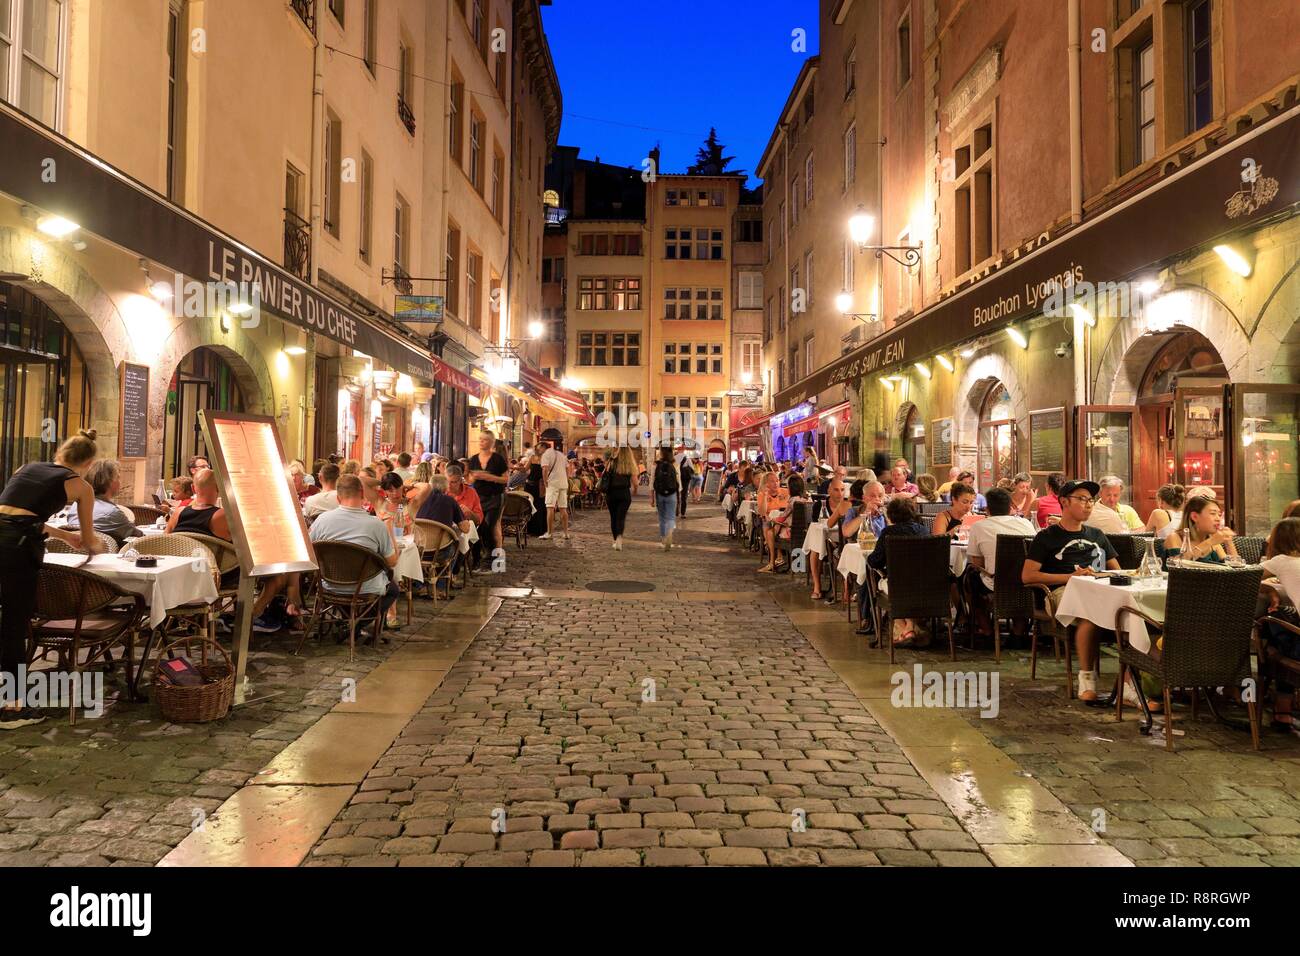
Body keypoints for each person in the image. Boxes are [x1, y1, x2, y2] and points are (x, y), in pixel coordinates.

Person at [0, 429, 103, 728]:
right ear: (89, 462)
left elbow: (19, 514)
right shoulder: (80, 486)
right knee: (14, 623)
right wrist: (91, 545)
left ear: (61, 453)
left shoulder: (27, 467)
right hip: (16, 549)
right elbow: (91, 540)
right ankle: (12, 707)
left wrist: (62, 535)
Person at [1022, 479, 1121, 701]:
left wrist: (1098, 576)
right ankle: (1087, 679)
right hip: (1060, 591)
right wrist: (1071, 577)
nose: (1088, 505)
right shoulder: (1047, 537)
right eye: (1082, 499)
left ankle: (1129, 684)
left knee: (1129, 614)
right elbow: (1028, 576)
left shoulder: (1097, 535)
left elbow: (1116, 570)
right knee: (1091, 615)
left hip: (1097, 590)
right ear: (1064, 502)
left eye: (1091, 500)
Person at [309, 475, 399, 639]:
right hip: (364, 587)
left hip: (329, 585)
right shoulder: (376, 525)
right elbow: (392, 562)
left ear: (338, 497)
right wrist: (390, 531)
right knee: (393, 590)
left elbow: (308, 552)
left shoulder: (322, 521)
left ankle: (345, 621)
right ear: (363, 494)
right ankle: (358, 622)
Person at [965, 487, 1036, 637]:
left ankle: (987, 629)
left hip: (994, 584)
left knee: (969, 577)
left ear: (987, 509)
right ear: (1010, 507)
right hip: (1026, 583)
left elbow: (977, 563)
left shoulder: (979, 526)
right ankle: (1019, 631)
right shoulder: (1026, 524)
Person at [863, 496, 931, 643]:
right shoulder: (924, 530)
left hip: (897, 585)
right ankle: (910, 626)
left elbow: (875, 561)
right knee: (907, 586)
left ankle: (905, 627)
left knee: (885, 585)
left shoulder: (888, 532)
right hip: (924, 585)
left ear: (891, 514)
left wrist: (868, 558)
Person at [1260, 518, 1300, 726]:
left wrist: (1269, 589)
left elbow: (1244, 576)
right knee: (1284, 617)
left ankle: (1282, 706)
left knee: (1273, 621)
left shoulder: (1283, 561)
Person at [61, 459, 142, 546]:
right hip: (104, 556)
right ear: (109, 482)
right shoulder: (112, 512)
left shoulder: (76, 505)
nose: (120, 482)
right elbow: (138, 535)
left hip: (72, 554)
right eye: (118, 478)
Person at [1164, 495, 1239, 564]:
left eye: (1219, 515)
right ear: (1195, 517)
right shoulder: (1175, 538)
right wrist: (1210, 542)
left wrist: (1229, 542)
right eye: (1213, 513)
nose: (1218, 519)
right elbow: (1178, 565)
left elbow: (1236, 569)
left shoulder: (1214, 544)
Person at [761, 475, 811, 573]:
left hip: (791, 533)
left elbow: (782, 517)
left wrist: (772, 519)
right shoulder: (808, 500)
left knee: (770, 532)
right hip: (805, 533)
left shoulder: (793, 502)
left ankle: (772, 562)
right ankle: (778, 559)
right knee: (775, 528)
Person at [469, 431, 509, 551]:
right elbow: (470, 479)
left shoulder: (498, 459)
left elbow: (506, 479)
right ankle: (481, 554)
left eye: (485, 440)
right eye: (480, 439)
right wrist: (474, 477)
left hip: (495, 497)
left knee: (489, 525)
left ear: (491, 442)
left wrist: (490, 477)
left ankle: (491, 555)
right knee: (479, 525)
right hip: (478, 497)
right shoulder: (474, 459)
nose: (481, 442)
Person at [166, 468, 231, 541]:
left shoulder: (178, 513)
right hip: (210, 552)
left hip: (179, 552)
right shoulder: (223, 515)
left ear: (193, 488)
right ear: (219, 487)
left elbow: (164, 540)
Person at [810, 478, 847, 601]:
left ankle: (846, 589)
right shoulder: (820, 505)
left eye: (842, 490)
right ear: (829, 491)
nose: (840, 493)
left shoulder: (848, 505)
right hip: (825, 540)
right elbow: (816, 524)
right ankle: (817, 585)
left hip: (843, 542)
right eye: (836, 490)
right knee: (815, 550)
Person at [538, 440, 571, 541]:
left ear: (543, 447)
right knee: (563, 508)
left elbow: (545, 469)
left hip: (552, 483)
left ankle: (549, 533)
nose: (538, 450)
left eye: (539, 448)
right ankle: (566, 533)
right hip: (563, 483)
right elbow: (567, 469)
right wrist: (566, 479)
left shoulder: (545, 455)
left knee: (550, 508)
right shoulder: (561, 454)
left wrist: (545, 481)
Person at [605, 447, 636, 550]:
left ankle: (615, 540)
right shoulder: (630, 464)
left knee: (613, 517)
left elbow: (605, 474)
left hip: (611, 493)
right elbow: (635, 482)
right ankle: (619, 538)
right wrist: (635, 490)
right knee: (621, 517)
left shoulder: (611, 462)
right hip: (624, 493)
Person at [652, 446, 681, 549]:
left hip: (659, 494)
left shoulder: (656, 464)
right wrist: (678, 495)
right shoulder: (675, 464)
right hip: (672, 493)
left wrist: (652, 498)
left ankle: (664, 538)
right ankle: (669, 533)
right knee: (671, 516)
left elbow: (652, 482)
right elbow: (679, 483)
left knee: (662, 517)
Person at [678, 453, 695, 518]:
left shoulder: (674, 458)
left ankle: (675, 510)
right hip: (685, 480)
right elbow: (692, 470)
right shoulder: (687, 459)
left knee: (676, 495)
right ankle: (683, 513)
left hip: (676, 479)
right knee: (684, 496)